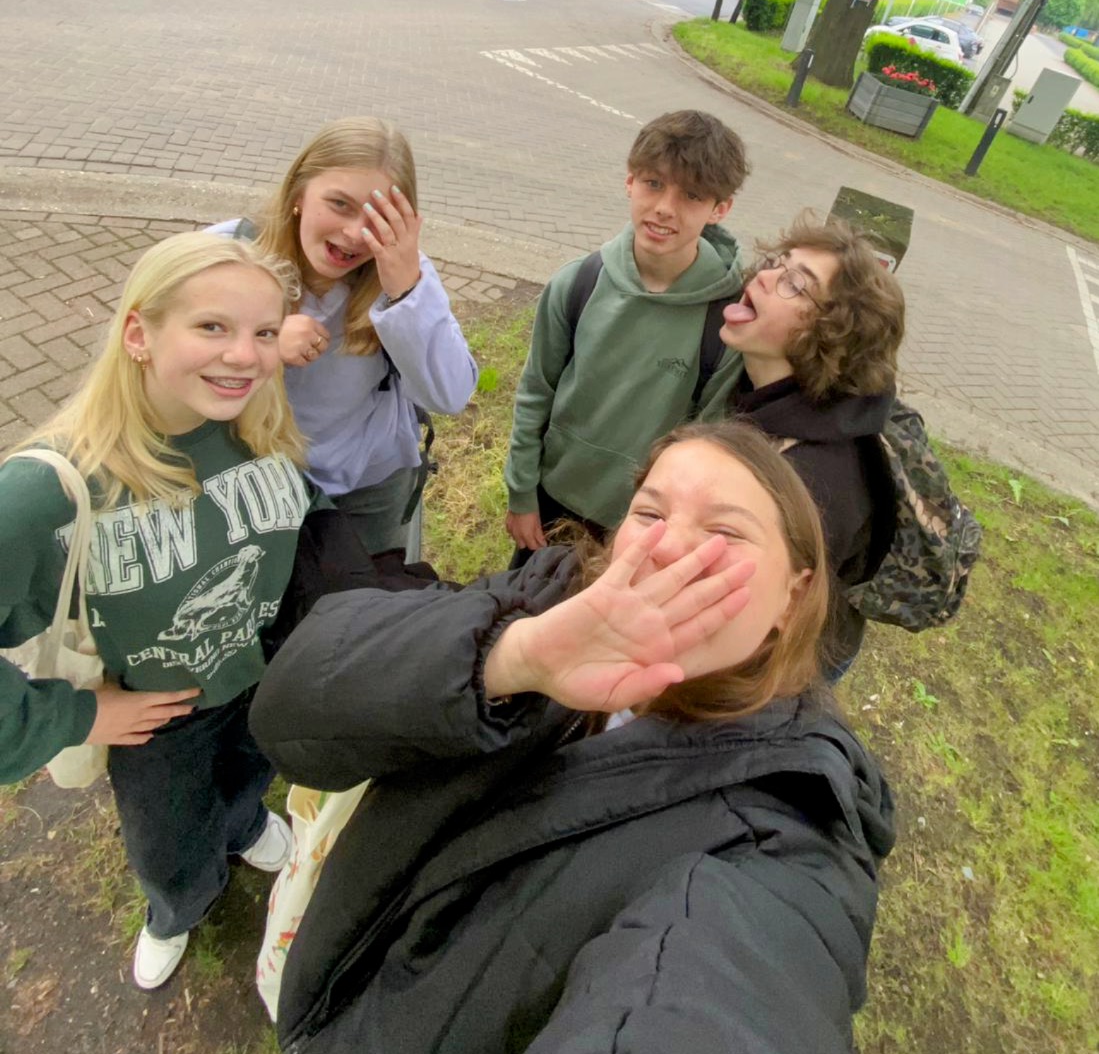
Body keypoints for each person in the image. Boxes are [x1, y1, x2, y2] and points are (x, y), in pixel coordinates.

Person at [251, 421, 895, 1054]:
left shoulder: (784, 820)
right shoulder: (546, 596)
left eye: (725, 532)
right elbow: (287, 711)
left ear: (792, 597)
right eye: (649, 513)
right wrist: (510, 660)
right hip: (336, 994)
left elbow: (721, 1028)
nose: (666, 546)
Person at [0, 234, 315, 990]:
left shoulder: (260, 430)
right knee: (167, 839)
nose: (244, 355)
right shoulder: (44, 492)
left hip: (257, 681)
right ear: (138, 333)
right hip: (154, 718)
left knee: (247, 777)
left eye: (264, 332)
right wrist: (78, 715)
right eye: (212, 327)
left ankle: (243, 826)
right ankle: (178, 908)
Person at [208, 117, 478, 557]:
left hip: (366, 492)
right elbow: (157, 360)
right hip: (245, 482)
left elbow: (450, 395)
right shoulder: (227, 252)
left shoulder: (403, 273)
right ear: (299, 193)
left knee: (364, 598)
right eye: (339, 204)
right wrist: (264, 341)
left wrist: (405, 292)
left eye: (378, 218)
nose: (354, 233)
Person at [504, 108, 748, 562]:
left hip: (642, 525)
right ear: (630, 181)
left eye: (692, 195)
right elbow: (536, 391)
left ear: (720, 208)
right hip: (552, 501)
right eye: (654, 183)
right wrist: (521, 493)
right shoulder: (577, 283)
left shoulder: (725, 321)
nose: (665, 208)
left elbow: (706, 449)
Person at [714, 211, 904, 672]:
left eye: (795, 284)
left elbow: (752, 632)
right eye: (777, 262)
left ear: (831, 334)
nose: (764, 277)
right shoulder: (763, 389)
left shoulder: (812, 480)